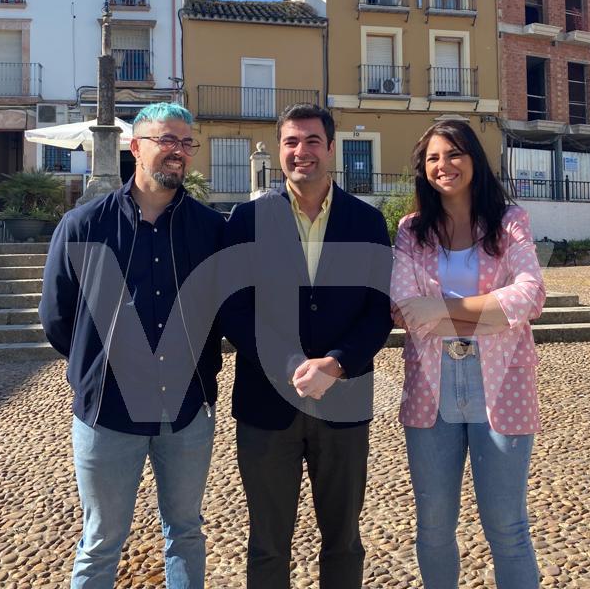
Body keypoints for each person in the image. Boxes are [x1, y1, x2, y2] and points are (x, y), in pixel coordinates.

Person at [39, 103, 224, 589]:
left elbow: (226, 308)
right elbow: (57, 316)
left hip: (186, 411)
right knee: (101, 540)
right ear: (136, 147)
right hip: (107, 411)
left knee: (186, 532)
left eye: (186, 142)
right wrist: (102, 366)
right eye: (167, 140)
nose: (178, 151)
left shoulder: (212, 230)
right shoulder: (83, 225)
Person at [220, 103, 393, 589]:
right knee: (267, 543)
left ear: (331, 148)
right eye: (291, 142)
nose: (302, 151)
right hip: (266, 404)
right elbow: (233, 307)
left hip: (344, 402)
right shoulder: (247, 220)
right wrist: (292, 363)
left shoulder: (366, 222)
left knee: (343, 540)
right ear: (279, 150)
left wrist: (336, 364)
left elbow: (379, 310)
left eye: (313, 140)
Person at [391, 119, 545, 589]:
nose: (444, 165)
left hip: (502, 382)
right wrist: (492, 315)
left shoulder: (509, 221)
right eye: (434, 157)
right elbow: (404, 310)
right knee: (434, 527)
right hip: (430, 386)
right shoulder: (411, 230)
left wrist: (440, 309)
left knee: (508, 527)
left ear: (474, 158)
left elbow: (530, 296)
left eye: (454, 153)